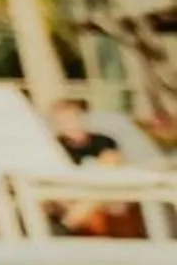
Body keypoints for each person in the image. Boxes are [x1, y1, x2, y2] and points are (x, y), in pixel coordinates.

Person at [47, 96, 143, 238]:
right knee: (54, 198)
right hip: (72, 190)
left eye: (70, 118)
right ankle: (67, 226)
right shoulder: (55, 146)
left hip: (103, 188)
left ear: (81, 118)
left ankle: (65, 227)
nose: (67, 124)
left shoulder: (103, 140)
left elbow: (112, 166)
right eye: (61, 120)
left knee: (96, 195)